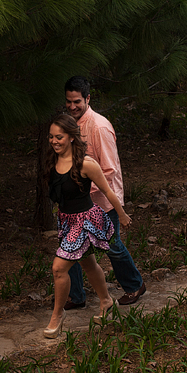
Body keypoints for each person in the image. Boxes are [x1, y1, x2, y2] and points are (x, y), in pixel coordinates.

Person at [42, 114, 131, 338]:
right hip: (67, 221)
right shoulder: (53, 160)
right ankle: (106, 301)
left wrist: (121, 215)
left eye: (59, 137)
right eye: (51, 137)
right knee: (89, 264)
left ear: (72, 137)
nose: (54, 141)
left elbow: (107, 190)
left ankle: (57, 315)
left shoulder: (86, 164)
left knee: (58, 268)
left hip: (84, 222)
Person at [63, 75, 146, 309]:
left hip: (101, 201)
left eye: (77, 102)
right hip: (77, 201)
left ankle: (135, 285)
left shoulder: (99, 127)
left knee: (113, 247)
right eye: (69, 101)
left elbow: (109, 171)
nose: (72, 106)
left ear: (88, 99)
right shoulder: (70, 125)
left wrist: (81, 189)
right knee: (72, 246)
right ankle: (75, 296)